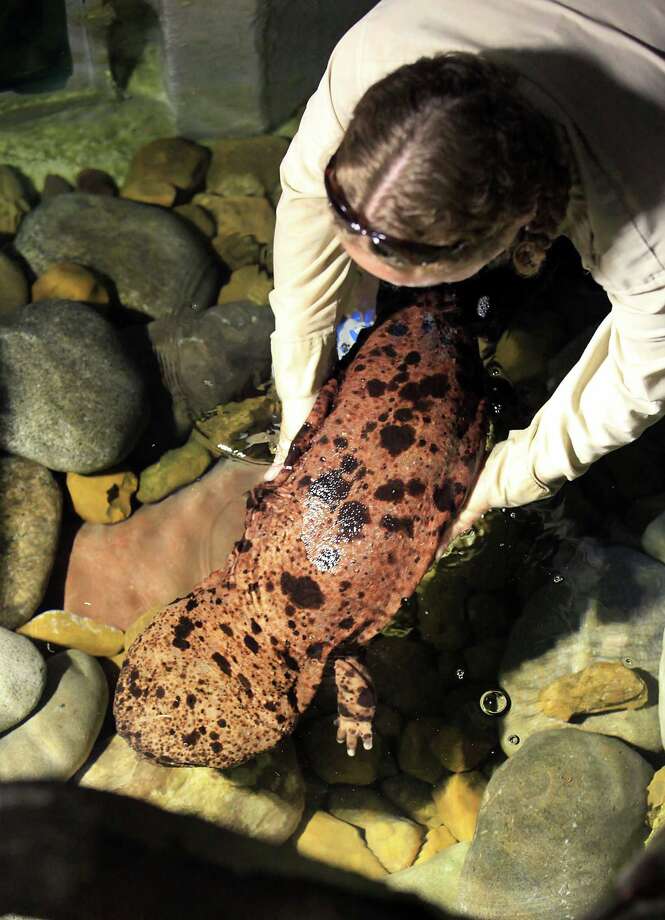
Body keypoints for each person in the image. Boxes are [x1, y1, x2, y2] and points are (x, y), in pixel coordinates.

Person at [266, 0, 665, 547]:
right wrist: (299, 387)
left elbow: (637, 381)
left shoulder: (648, 222)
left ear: (521, 229)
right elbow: (308, 196)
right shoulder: (373, 56)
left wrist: (502, 481)